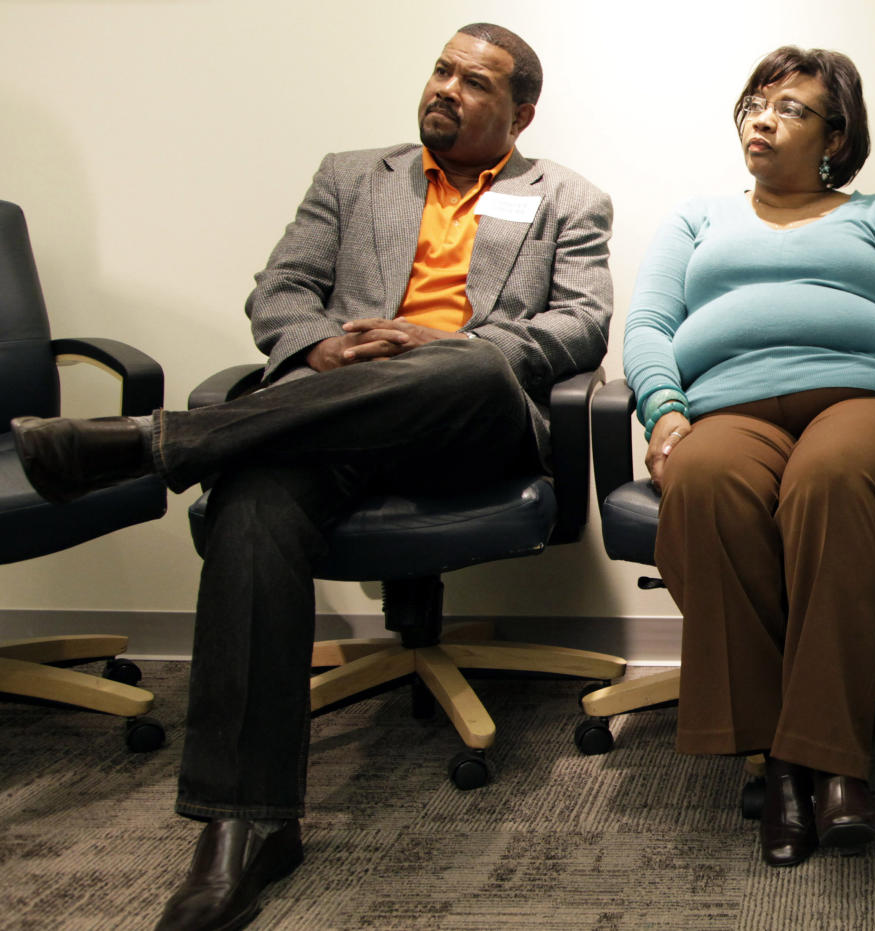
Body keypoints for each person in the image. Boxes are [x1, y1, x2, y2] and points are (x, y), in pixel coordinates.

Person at [12, 23, 613, 930]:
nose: (445, 88)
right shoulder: (350, 174)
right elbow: (279, 290)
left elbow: (580, 324)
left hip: (468, 419)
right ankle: (244, 828)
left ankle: (158, 441)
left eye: (474, 82)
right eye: (441, 69)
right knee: (254, 503)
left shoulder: (567, 197)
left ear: (521, 111)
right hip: (328, 412)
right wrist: (326, 346)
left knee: (474, 364)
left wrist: (436, 344)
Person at [623, 46, 875, 868]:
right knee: (703, 481)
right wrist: (664, 410)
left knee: (831, 480)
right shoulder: (697, 217)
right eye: (754, 104)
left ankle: (831, 761)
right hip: (725, 404)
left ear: (835, 136)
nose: (761, 119)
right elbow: (648, 328)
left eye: (789, 108)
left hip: (856, 397)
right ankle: (778, 760)